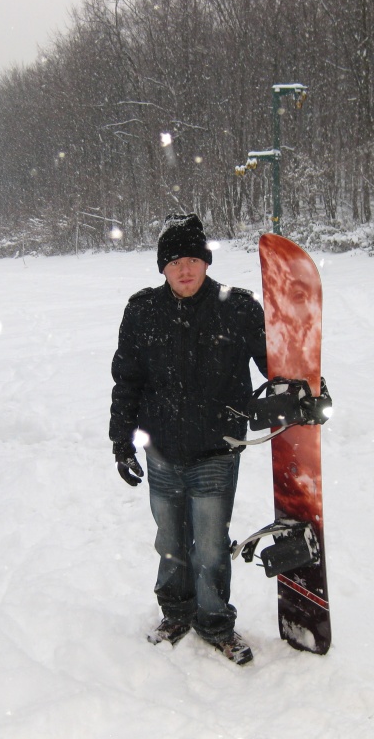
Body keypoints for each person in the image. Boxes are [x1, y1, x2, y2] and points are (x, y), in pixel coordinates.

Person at [110, 213, 267, 665]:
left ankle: (215, 622)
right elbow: (127, 382)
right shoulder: (142, 311)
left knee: (211, 545)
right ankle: (176, 612)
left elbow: (275, 364)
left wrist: (304, 389)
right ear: (162, 267)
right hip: (161, 450)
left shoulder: (237, 308)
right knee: (171, 541)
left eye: (193, 260)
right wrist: (122, 442)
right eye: (175, 261)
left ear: (206, 262)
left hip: (217, 448)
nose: (185, 269)